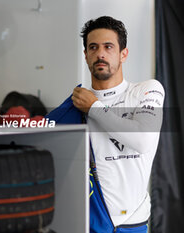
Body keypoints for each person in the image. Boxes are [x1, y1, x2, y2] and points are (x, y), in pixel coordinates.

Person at [50, 16, 164, 233]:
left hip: (132, 224)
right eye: (93, 47)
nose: (100, 53)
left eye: (108, 47)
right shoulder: (74, 105)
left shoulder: (146, 89)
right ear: (85, 55)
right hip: (86, 223)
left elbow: (143, 140)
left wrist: (94, 108)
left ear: (124, 54)